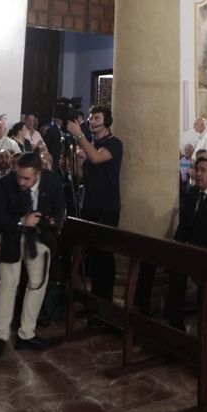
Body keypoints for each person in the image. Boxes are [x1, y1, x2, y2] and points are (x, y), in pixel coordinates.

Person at [0, 152, 67, 360]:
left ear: (38, 174)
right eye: (19, 176)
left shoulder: (52, 181)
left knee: (38, 282)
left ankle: (26, 334)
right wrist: (21, 221)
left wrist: (52, 222)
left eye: (26, 178)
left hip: (37, 238)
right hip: (10, 236)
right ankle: (0, 338)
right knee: (8, 283)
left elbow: (60, 208)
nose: (21, 181)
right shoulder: (5, 184)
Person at [166, 157, 207, 328]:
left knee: (202, 278)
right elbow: (184, 225)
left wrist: (201, 251)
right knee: (174, 269)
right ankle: (175, 323)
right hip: (190, 251)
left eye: (203, 170)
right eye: (197, 170)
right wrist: (176, 245)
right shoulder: (191, 193)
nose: (198, 174)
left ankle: (205, 326)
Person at [67, 104, 122, 302]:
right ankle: (93, 301)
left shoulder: (114, 143)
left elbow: (97, 158)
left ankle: (104, 302)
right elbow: (84, 176)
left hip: (107, 205)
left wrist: (78, 135)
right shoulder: (89, 142)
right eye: (90, 118)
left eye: (96, 118)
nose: (92, 121)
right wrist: (73, 164)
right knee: (92, 255)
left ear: (106, 121)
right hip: (89, 202)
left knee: (104, 255)